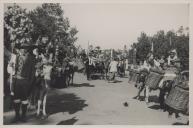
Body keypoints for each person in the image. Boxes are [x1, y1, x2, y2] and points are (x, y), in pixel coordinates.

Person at [8, 43, 36, 123]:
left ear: (27, 49)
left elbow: (33, 73)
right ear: (19, 49)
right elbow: (11, 70)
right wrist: (11, 66)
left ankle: (23, 116)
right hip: (17, 80)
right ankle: (17, 116)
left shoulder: (32, 58)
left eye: (25, 48)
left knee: (24, 99)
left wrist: (30, 83)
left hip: (25, 81)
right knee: (16, 99)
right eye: (22, 48)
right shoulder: (16, 57)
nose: (23, 50)